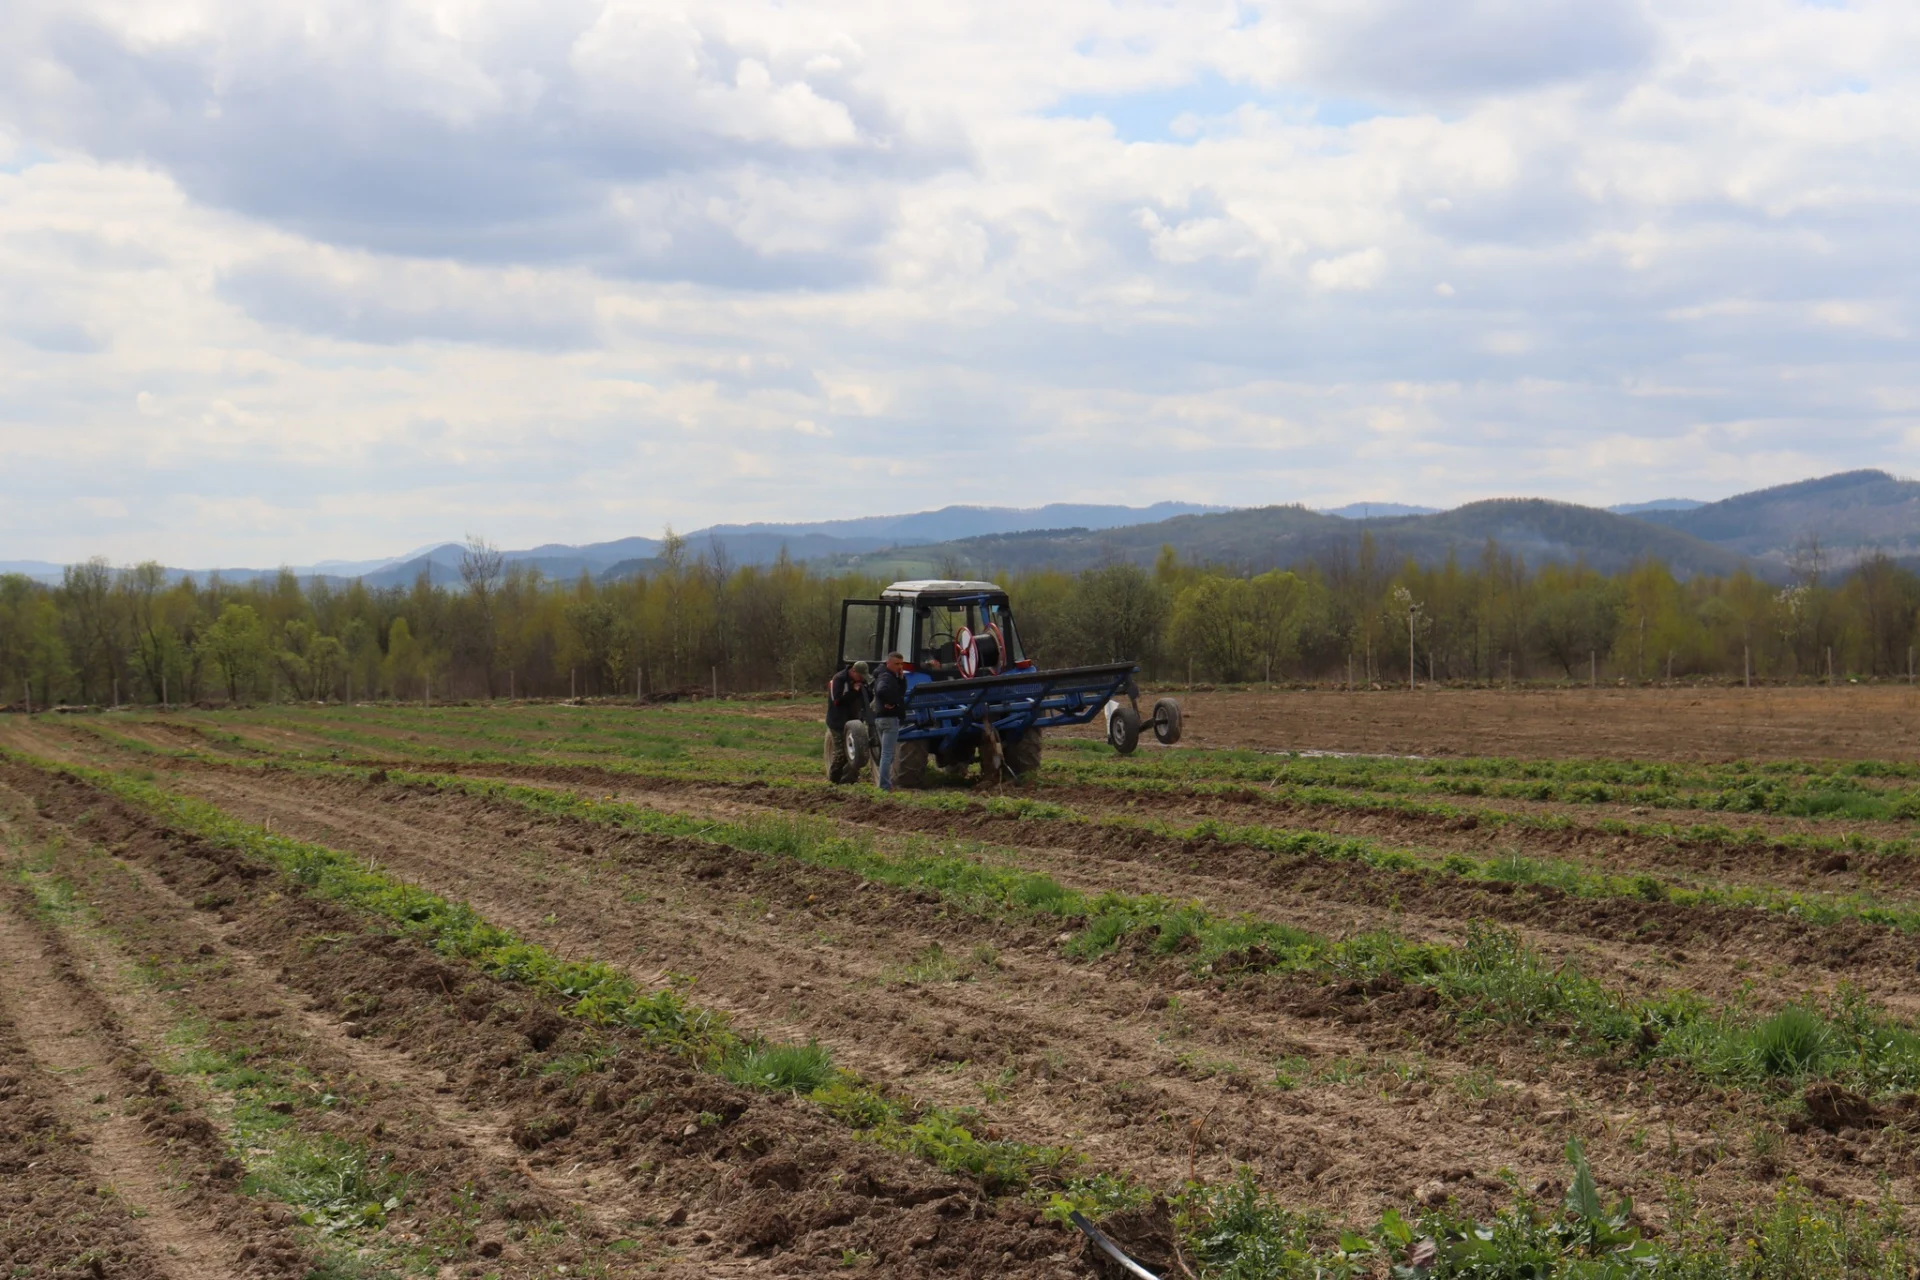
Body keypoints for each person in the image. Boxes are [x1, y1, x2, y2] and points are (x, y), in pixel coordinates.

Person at [870, 652, 909, 791]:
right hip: (889, 719)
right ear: (889, 663)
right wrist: (890, 702)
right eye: (897, 664)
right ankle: (885, 786)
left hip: (881, 719)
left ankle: (885, 783)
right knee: (888, 754)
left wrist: (901, 678)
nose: (900, 667)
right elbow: (881, 691)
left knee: (885, 753)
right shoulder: (886, 676)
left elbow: (900, 692)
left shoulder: (889, 676)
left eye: (901, 664)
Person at [825, 662, 868, 777]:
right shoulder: (839, 679)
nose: (862, 678)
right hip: (837, 721)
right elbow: (837, 701)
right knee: (841, 754)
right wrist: (854, 691)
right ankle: (834, 778)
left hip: (853, 721)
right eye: (860, 676)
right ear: (853, 671)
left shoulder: (861, 680)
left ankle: (851, 778)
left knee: (854, 752)